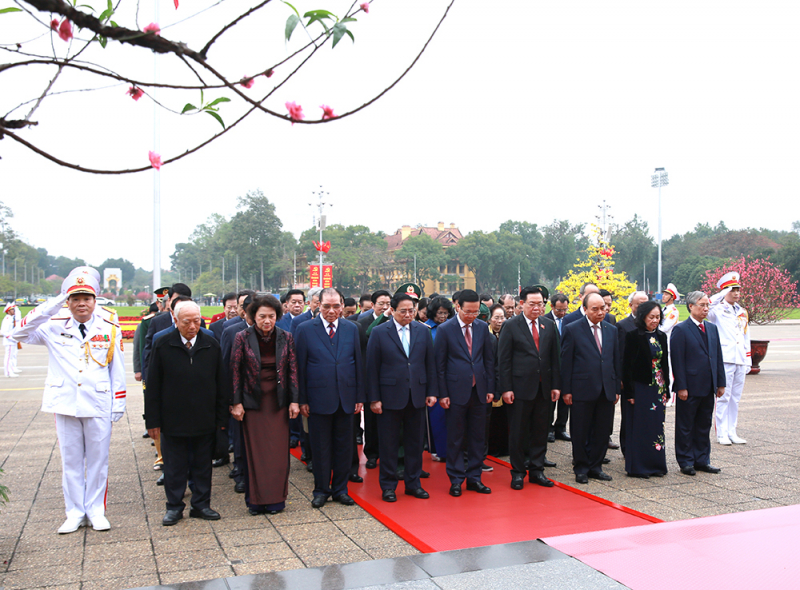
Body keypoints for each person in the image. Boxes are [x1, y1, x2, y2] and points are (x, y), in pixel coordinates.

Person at [13, 270, 126, 533]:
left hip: (98, 401)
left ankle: (96, 511)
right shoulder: (53, 326)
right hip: (65, 402)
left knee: (99, 461)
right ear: (67, 301)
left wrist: (118, 402)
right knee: (71, 461)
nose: (81, 303)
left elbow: (117, 368)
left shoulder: (108, 326)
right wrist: (53, 304)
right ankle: (74, 512)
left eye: (86, 297)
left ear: (95, 300)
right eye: (75, 298)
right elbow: (18, 334)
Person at [145, 301, 228, 526]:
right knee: (174, 466)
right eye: (187, 322)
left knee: (202, 465)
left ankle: (201, 505)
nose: (193, 326)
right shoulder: (163, 343)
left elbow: (221, 384)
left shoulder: (211, 343)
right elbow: (152, 386)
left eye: (197, 321)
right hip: (173, 419)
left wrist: (221, 420)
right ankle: (174, 507)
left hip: (204, 417)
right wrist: (152, 421)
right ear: (175, 320)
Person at [295, 288, 365, 508]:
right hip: (317, 399)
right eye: (326, 306)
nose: (332, 311)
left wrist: (359, 396)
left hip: (346, 398)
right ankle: (321, 490)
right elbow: (299, 367)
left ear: (342, 306)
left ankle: (341, 490)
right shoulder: (305, 329)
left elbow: (358, 364)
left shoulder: (352, 329)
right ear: (317, 305)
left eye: (336, 306)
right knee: (320, 447)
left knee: (345, 447)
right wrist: (302, 399)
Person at [230, 295, 300, 515]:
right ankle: (257, 501)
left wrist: (295, 401)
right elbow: (234, 372)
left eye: (271, 316)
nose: (267, 320)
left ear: (277, 316)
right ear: (253, 316)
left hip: (278, 402)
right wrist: (236, 403)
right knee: (256, 453)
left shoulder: (286, 337)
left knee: (278, 453)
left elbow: (293, 371)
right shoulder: (242, 337)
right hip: (253, 401)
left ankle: (276, 500)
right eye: (262, 316)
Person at [367, 293, 437, 502]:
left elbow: (429, 364)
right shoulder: (380, 332)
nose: (408, 314)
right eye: (403, 311)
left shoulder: (422, 331)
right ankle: (388, 486)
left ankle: (413, 483)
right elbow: (372, 368)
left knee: (415, 443)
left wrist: (431, 391)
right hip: (389, 396)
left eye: (412, 311)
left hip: (416, 394)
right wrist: (374, 398)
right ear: (393, 310)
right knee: (388, 444)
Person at [498, 286, 561, 489]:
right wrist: (506, 388)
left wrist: (556, 386)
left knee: (541, 431)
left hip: (544, 388)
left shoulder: (549, 325)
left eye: (540, 304)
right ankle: (517, 472)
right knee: (518, 432)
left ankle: (537, 470)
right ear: (522, 304)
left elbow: (554, 359)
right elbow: (504, 360)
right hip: (519, 388)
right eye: (532, 304)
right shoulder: (511, 325)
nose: (537, 308)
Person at [434, 289, 496, 496]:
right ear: (457, 307)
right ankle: (456, 479)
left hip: (479, 391)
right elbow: (439, 365)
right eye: (468, 311)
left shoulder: (481, 328)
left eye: (476, 312)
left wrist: (490, 389)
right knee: (456, 438)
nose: (472, 316)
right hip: (454, 392)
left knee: (478, 437)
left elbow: (489, 361)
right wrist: (443, 394)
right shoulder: (445, 329)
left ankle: (474, 478)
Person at [560, 292, 620, 484]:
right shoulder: (572, 329)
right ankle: (581, 467)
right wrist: (566, 390)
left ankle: (596, 466)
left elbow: (615, 360)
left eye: (603, 308)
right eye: (595, 309)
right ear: (584, 309)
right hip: (581, 389)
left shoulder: (611, 329)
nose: (600, 312)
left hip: (606, 388)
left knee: (602, 430)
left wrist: (616, 386)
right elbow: (566, 362)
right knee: (580, 430)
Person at [670, 291, 726, 475]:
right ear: (691, 306)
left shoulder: (711, 328)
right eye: (702, 305)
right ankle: (686, 461)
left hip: (708, 385)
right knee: (685, 426)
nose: (705, 308)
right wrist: (682, 387)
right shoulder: (681, 329)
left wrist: (720, 383)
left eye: (707, 305)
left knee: (704, 425)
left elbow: (717, 357)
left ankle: (702, 459)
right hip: (690, 387)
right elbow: (678, 361)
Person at [621, 301, 669, 478]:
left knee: (657, 426)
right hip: (640, 387)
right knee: (640, 426)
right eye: (651, 317)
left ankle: (656, 464)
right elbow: (627, 367)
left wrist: (666, 389)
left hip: (658, 386)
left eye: (657, 317)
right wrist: (630, 392)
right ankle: (639, 466)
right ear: (643, 318)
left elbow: (665, 364)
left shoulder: (661, 336)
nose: (655, 320)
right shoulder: (633, 336)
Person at [707, 272, 751, 445]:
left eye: (738, 289)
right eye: (732, 290)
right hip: (725, 358)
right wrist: (721, 293)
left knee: (735, 398)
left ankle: (732, 431)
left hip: (740, 357)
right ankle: (721, 432)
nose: (736, 293)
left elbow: (746, 335)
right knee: (723, 397)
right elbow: (707, 307)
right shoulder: (717, 310)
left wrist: (748, 359)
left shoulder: (742, 311)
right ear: (724, 291)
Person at [616, 290, 649, 456]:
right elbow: (620, 355)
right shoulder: (622, 326)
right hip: (631, 379)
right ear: (631, 306)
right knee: (629, 415)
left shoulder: (653, 324)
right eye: (639, 304)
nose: (643, 308)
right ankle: (628, 448)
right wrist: (621, 378)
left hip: (649, 380)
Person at [424, 296, 455, 463]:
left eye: (446, 313)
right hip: (433, 377)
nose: (443, 316)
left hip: (451, 376)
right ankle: (439, 450)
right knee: (437, 416)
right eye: (440, 313)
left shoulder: (451, 327)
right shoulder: (426, 329)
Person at [544, 292, 570, 442]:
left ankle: (561, 427)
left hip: (566, 365)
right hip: (551, 365)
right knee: (550, 400)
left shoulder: (569, 320)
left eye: (565, 309)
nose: (562, 313)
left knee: (565, 399)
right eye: (559, 310)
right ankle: (548, 429)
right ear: (552, 306)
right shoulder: (545, 320)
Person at [661, 283, 681, 406]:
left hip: (668, 342)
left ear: (672, 297)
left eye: (666, 294)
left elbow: (665, 327)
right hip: (662, 342)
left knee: (669, 370)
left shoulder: (673, 311)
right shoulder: (664, 309)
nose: (663, 296)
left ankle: (671, 397)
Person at [2, 303, 21, 377]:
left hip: (12, 340)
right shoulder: (7, 319)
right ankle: (8, 372)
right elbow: (3, 331)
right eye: (12, 310)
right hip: (9, 341)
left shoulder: (11, 318)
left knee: (12, 356)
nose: (14, 311)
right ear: (8, 311)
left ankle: (11, 369)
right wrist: (12, 338)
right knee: (8, 357)